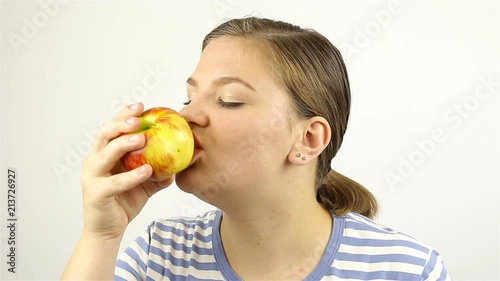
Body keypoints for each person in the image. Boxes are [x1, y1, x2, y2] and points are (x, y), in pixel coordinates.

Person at [62, 17, 450, 280]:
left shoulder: (406, 269)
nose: (188, 116)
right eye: (188, 98)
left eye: (228, 99)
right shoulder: (160, 256)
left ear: (308, 140)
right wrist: (101, 236)